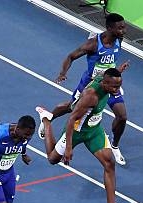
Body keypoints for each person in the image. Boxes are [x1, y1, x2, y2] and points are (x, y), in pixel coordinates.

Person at [36, 68, 129, 203]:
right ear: (104, 83)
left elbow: (109, 74)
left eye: (119, 86)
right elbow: (72, 119)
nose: (117, 90)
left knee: (109, 162)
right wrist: (68, 148)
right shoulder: (90, 97)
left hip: (94, 130)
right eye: (114, 87)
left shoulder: (107, 80)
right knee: (52, 159)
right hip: (77, 130)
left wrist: (119, 70)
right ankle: (46, 120)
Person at [42, 13, 129, 165]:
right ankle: (48, 118)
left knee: (122, 116)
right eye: (120, 28)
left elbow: (109, 62)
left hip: (109, 85)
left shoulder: (119, 40)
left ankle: (114, 146)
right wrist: (63, 73)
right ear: (109, 28)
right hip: (90, 87)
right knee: (71, 108)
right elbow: (71, 56)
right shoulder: (93, 44)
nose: (124, 31)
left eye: (124, 27)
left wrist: (117, 71)